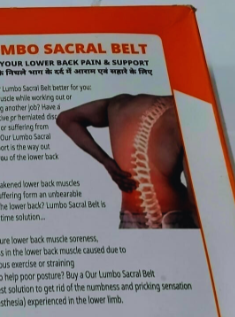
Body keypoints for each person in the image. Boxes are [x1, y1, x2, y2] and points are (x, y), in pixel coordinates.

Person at [54, 94, 199, 229]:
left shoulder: (118, 104)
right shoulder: (183, 112)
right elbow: (196, 198)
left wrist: (106, 161)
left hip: (129, 221)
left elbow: (65, 119)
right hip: (177, 220)